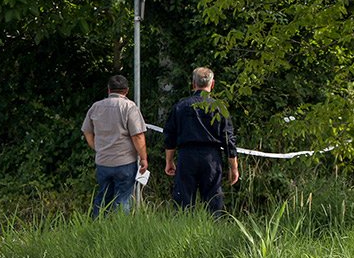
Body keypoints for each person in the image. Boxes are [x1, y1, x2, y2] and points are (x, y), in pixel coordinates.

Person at [163, 67, 238, 216]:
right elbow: (229, 140)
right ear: (213, 84)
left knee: (183, 201)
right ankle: (214, 231)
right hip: (211, 157)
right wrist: (234, 167)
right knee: (213, 201)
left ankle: (181, 231)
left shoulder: (180, 107)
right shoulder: (220, 108)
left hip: (186, 156)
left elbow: (170, 136)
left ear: (193, 84)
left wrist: (169, 161)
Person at [82, 74, 148, 217]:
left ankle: (97, 226)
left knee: (103, 197)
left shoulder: (95, 107)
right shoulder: (130, 107)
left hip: (103, 162)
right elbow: (137, 136)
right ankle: (120, 230)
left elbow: (87, 131)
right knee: (122, 200)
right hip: (125, 162)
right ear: (126, 90)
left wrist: (97, 148)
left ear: (108, 90)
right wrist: (143, 158)